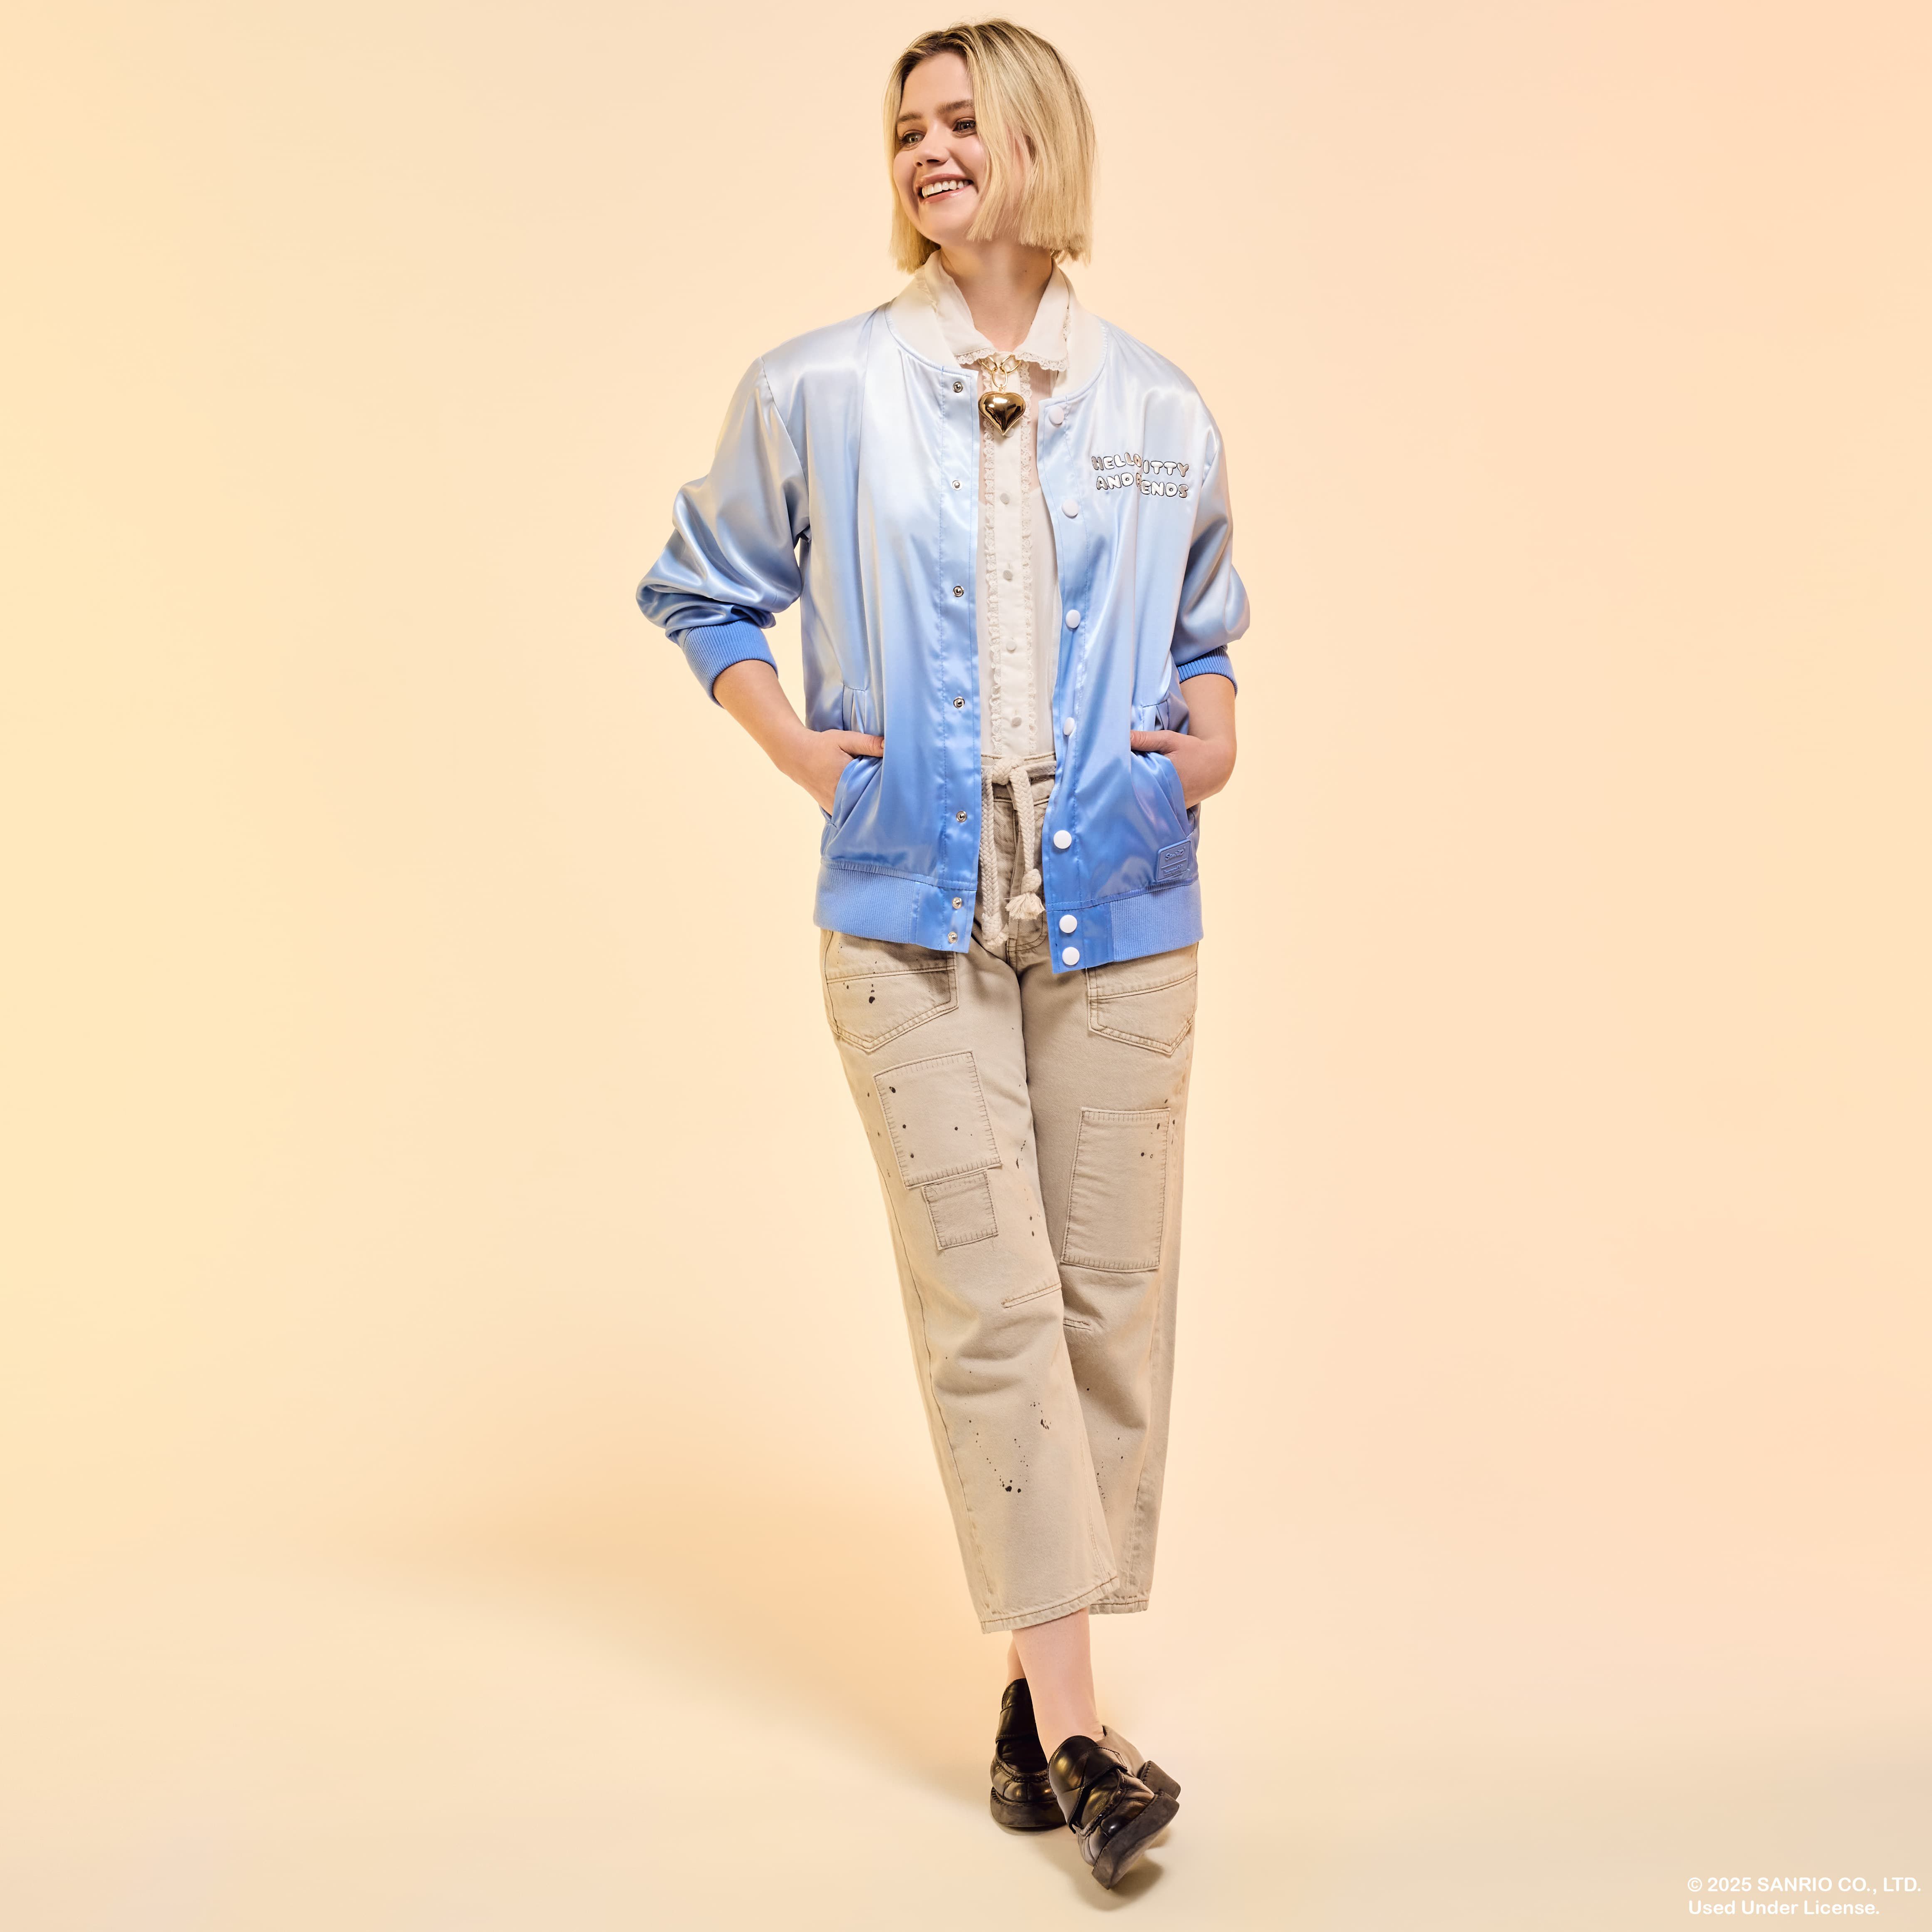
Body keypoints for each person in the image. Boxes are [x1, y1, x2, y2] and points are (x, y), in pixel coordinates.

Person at [637, 19, 1247, 1890]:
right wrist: (798, 749)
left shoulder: (1158, 407)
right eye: (909, 127)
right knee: (993, 1304)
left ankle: (1023, 1699)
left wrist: (1211, 745)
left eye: (966, 120)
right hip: (909, 912)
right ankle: (1084, 1734)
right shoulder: (818, 387)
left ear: (1043, 141)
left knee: (1106, 1308)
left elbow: (1208, 631)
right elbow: (702, 585)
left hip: (1121, 902)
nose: (930, 150)